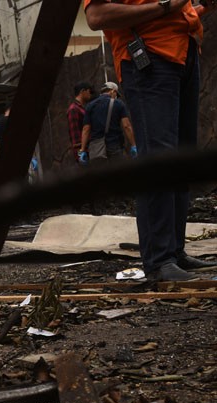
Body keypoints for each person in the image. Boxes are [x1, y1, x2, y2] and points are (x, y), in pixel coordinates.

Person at [85, 0, 214, 282]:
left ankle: (174, 252)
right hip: (149, 59)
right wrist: (166, 6)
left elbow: (174, 9)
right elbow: (96, 16)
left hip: (184, 52)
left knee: (181, 160)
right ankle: (159, 261)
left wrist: (198, 8)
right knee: (159, 160)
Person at [78, 82, 137, 164]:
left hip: (97, 149)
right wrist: (133, 145)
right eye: (116, 94)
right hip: (115, 145)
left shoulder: (90, 106)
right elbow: (126, 126)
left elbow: (86, 129)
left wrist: (82, 150)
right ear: (113, 91)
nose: (116, 97)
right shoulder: (118, 103)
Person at [67, 81, 93, 165]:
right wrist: (80, 153)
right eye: (89, 91)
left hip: (88, 150)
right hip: (83, 153)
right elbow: (75, 134)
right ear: (82, 91)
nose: (90, 94)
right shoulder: (73, 109)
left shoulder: (81, 108)